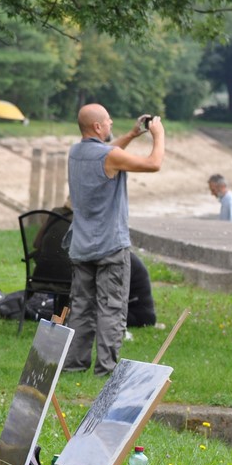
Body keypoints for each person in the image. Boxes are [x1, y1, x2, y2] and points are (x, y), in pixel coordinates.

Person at [63, 104, 165, 376]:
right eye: (108, 121)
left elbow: (110, 153)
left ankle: (75, 364)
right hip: (110, 246)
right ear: (98, 127)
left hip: (81, 246)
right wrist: (158, 134)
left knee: (81, 308)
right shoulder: (108, 157)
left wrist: (132, 134)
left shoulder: (76, 153)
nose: (110, 125)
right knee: (111, 309)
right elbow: (154, 164)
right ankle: (105, 369)